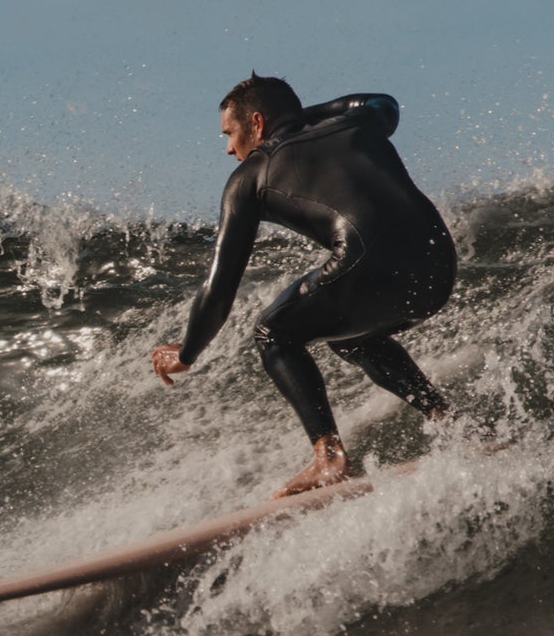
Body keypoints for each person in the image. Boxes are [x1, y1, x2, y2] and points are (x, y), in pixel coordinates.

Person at [151, 74, 457, 497]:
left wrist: (185, 354)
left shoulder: (250, 177)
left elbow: (219, 289)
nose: (228, 149)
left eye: (231, 133)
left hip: (371, 268)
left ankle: (328, 457)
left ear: (257, 124)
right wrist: (295, 119)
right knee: (350, 336)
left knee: (273, 332)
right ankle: (447, 418)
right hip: (438, 272)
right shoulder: (362, 123)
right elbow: (383, 101)